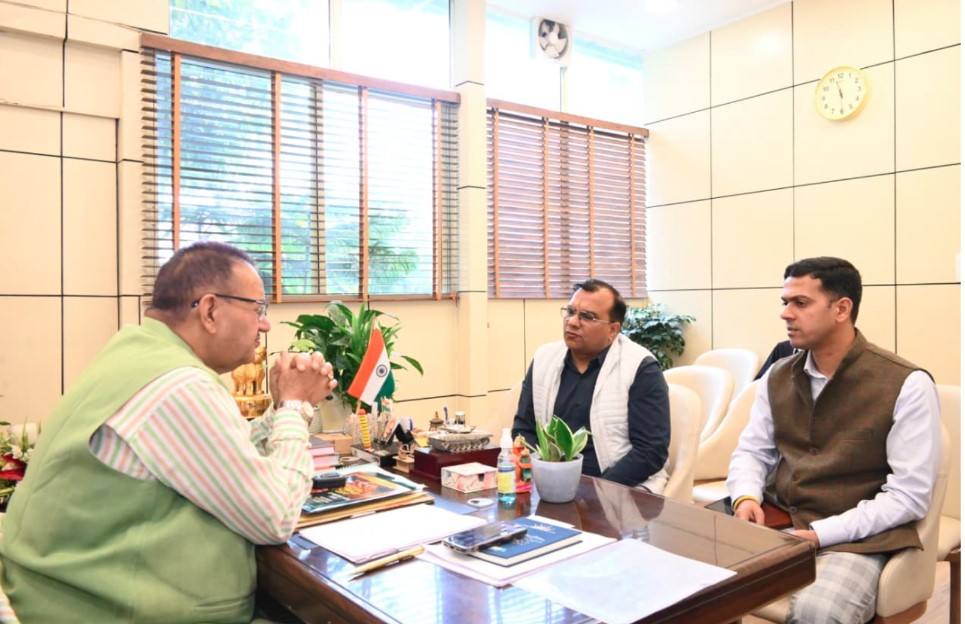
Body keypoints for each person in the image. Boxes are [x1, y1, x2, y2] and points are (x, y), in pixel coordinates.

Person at [0, 241, 337, 624]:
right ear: (210, 310)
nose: (265, 324)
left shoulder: (136, 353)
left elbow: (220, 454)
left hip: (52, 592)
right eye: (257, 308)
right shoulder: (180, 386)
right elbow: (276, 518)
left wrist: (280, 411)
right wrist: (294, 406)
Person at [727, 257, 941, 624]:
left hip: (856, 538)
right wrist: (745, 496)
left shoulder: (907, 384)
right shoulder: (777, 375)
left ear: (842, 309)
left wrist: (818, 535)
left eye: (800, 303)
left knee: (818, 613)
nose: (785, 313)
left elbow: (908, 497)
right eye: (785, 302)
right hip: (778, 518)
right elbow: (752, 451)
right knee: (688, 578)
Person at [512, 279, 671, 492]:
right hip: (551, 484)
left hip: (620, 487)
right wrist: (551, 476)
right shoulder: (544, 359)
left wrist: (595, 490)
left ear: (613, 330)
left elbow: (650, 452)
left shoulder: (640, 368)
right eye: (570, 312)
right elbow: (523, 430)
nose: (572, 322)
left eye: (587, 316)